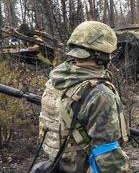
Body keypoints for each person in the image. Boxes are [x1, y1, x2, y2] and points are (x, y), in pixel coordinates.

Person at [35, 21, 130, 172]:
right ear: (101, 55)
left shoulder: (56, 80)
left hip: (60, 164)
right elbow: (107, 156)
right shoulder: (100, 94)